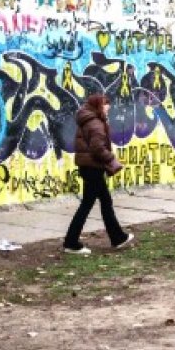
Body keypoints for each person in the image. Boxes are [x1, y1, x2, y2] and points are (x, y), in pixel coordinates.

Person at [63, 94, 134, 254]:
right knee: (88, 204)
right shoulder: (96, 124)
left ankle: (117, 237)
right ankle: (71, 242)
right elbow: (97, 148)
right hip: (93, 168)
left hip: (88, 167)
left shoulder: (88, 120)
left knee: (104, 201)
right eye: (105, 104)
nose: (108, 107)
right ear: (98, 106)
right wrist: (112, 160)